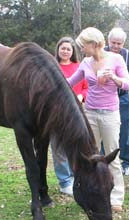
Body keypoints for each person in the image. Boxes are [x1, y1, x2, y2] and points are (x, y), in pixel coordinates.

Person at [67, 27, 129, 212]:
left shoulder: (115, 59)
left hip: (110, 114)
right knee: (89, 157)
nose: (81, 50)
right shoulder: (86, 62)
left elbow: (127, 84)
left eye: (83, 46)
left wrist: (114, 77)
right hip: (90, 113)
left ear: (94, 44)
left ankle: (116, 197)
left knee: (112, 154)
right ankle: (88, 191)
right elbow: (70, 82)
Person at [50, 37, 88, 196]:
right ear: (58, 49)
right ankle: (65, 181)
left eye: (68, 49)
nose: (65, 51)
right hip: (56, 113)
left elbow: (86, 87)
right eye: (63, 48)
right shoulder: (52, 67)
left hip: (76, 112)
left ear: (73, 52)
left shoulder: (79, 67)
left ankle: (76, 176)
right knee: (58, 147)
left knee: (75, 146)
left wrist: (81, 96)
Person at [104, 27, 129, 176]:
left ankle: (127, 163)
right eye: (113, 42)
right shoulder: (102, 54)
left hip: (122, 97)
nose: (116, 46)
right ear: (108, 41)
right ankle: (105, 162)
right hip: (105, 99)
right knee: (105, 131)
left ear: (123, 43)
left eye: (119, 43)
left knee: (125, 131)